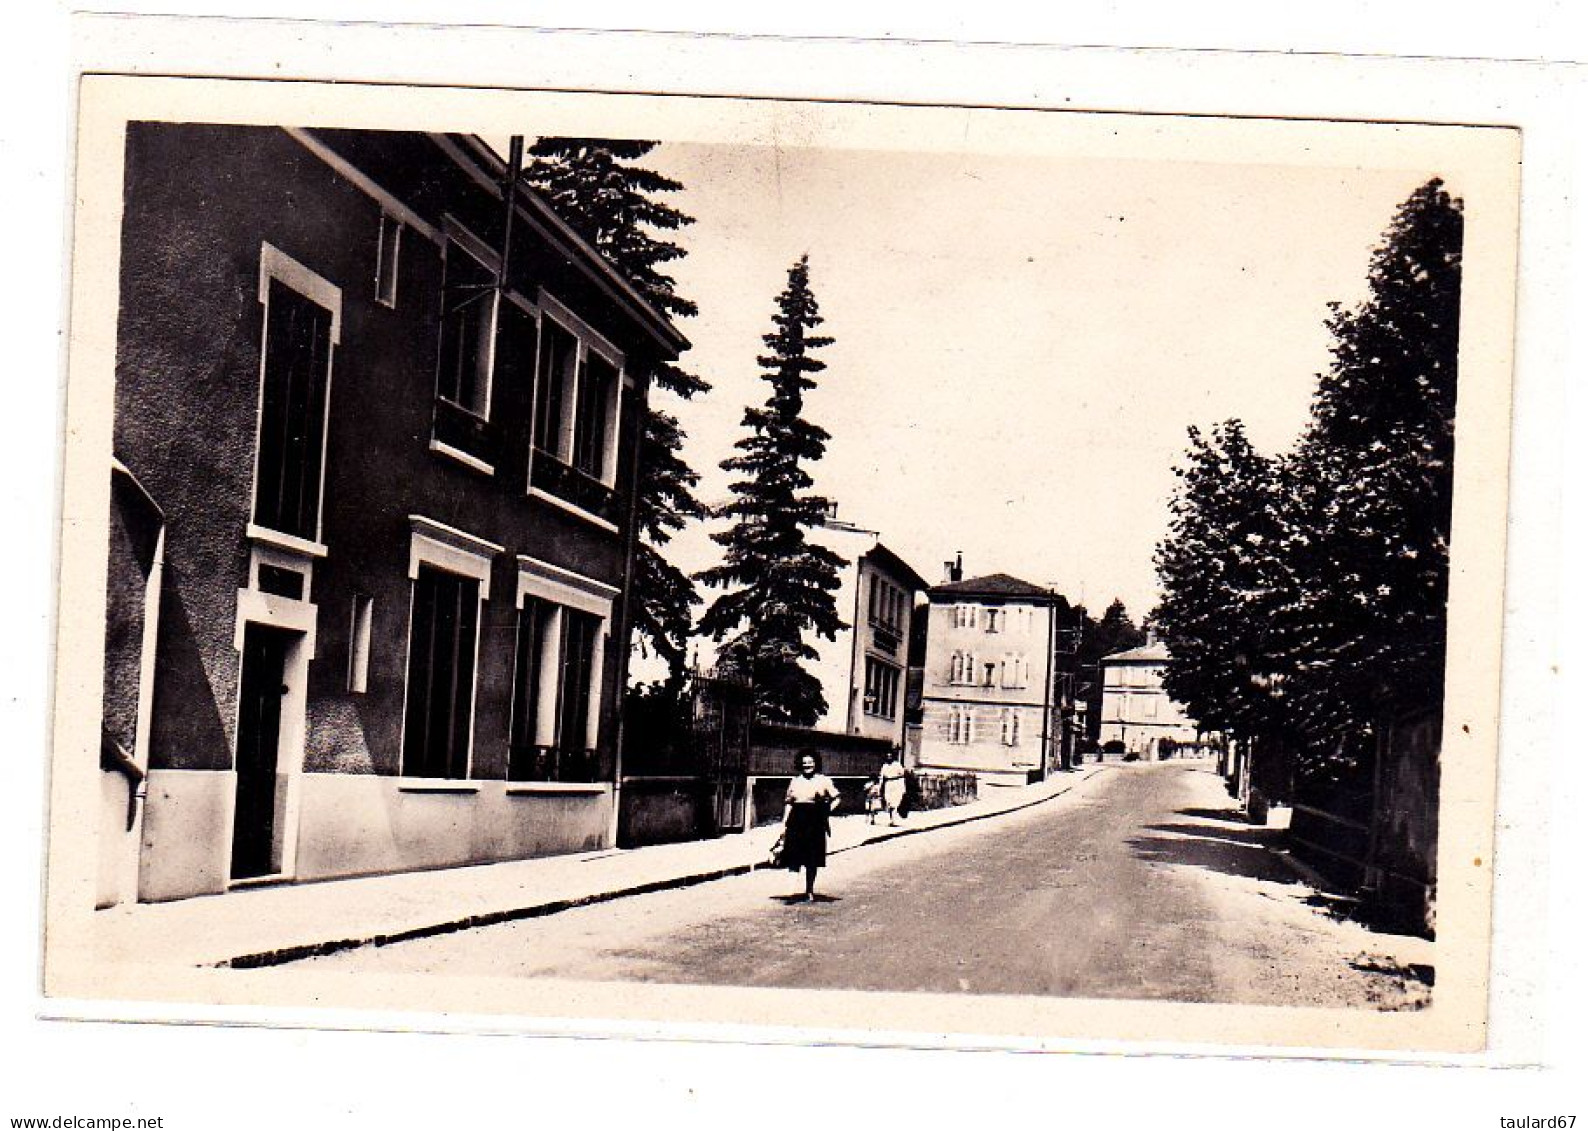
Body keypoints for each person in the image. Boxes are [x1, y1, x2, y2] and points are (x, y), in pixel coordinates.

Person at [782, 750, 840, 901]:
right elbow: (789, 803)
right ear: (800, 764)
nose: (807, 765)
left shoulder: (823, 780)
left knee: (811, 859)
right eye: (804, 763)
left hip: (815, 822)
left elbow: (837, 798)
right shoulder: (795, 781)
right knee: (794, 855)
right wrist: (784, 823)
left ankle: (809, 890)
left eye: (810, 762)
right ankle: (790, 891)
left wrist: (826, 811)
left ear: (816, 764)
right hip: (796, 820)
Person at [879, 746, 908, 826]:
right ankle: (891, 819)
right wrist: (880, 787)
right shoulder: (884, 766)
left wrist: (903, 788)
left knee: (895, 802)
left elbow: (902, 776)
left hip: (896, 783)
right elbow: (882, 777)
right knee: (889, 801)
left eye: (890, 756)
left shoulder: (897, 765)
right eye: (887, 756)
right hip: (888, 784)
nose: (889, 758)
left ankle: (894, 820)